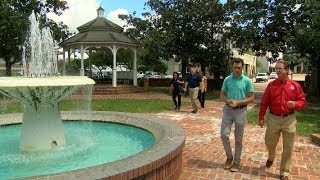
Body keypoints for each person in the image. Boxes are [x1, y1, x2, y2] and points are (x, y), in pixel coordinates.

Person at [258, 60, 306, 180]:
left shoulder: (295, 86)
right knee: (269, 142)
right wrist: (261, 117)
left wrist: (294, 104)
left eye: (280, 68)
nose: (277, 71)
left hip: (289, 119)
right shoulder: (271, 85)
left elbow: (303, 102)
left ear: (287, 70)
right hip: (273, 118)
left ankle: (284, 171)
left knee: (288, 147)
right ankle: (271, 156)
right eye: (276, 69)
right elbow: (264, 102)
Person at [220, 58, 254, 172]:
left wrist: (238, 102)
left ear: (242, 68)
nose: (237, 70)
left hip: (241, 111)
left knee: (238, 139)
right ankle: (229, 157)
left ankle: (237, 161)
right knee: (224, 134)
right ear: (232, 67)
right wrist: (228, 101)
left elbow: (251, 98)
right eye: (235, 67)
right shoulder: (227, 80)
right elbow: (222, 95)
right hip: (228, 110)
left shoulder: (247, 81)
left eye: (239, 68)